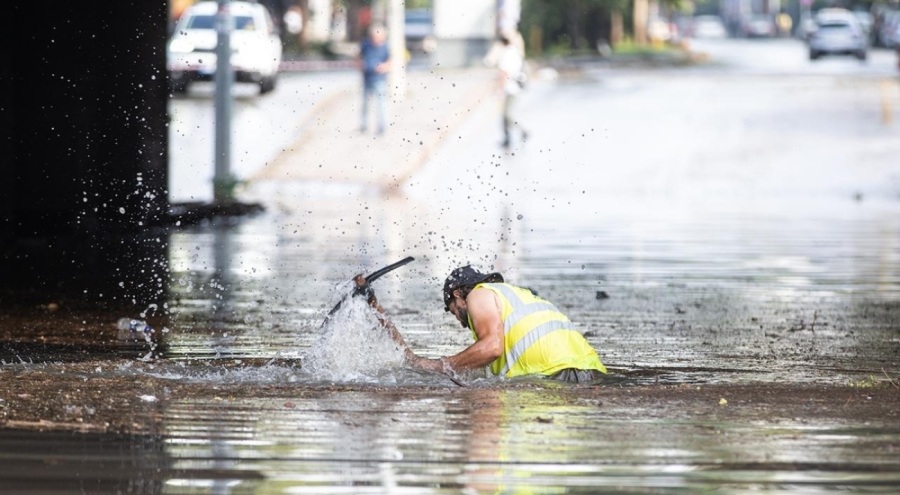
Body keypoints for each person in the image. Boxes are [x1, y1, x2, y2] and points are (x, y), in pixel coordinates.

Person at [356, 265, 607, 383]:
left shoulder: (479, 293)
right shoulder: (515, 298)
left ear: (457, 295)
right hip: (590, 374)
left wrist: (444, 366)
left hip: (560, 377)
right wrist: (374, 304)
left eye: (451, 310)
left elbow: (491, 348)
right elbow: (411, 359)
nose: (457, 319)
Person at [484, 30, 529, 150]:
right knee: (504, 115)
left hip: (510, 88)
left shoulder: (506, 54)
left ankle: (522, 131)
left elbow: (504, 73)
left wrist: (499, 89)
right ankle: (507, 139)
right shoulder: (515, 52)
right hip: (515, 87)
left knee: (506, 115)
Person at [358, 23, 391, 135]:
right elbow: (358, 56)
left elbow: (391, 61)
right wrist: (359, 65)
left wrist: (384, 67)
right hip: (367, 78)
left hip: (379, 79)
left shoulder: (386, 47)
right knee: (365, 104)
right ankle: (364, 126)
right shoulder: (365, 45)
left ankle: (382, 127)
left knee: (381, 104)